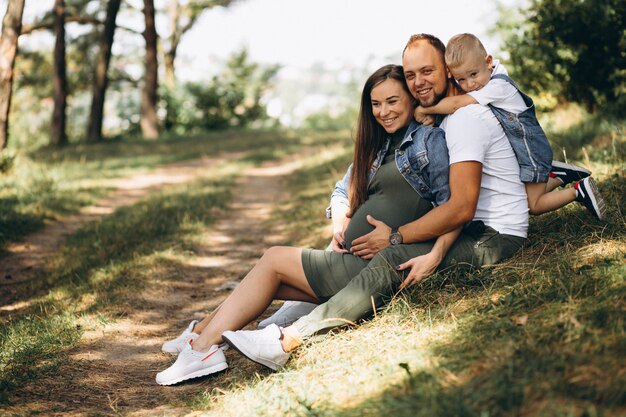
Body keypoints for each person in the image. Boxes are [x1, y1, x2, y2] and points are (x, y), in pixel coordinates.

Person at [218, 34, 535, 374]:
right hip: (472, 227)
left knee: (393, 257)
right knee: (330, 263)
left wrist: (408, 242)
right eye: (411, 75)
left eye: (427, 71)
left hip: (493, 234)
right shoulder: (444, 118)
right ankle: (245, 328)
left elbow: (460, 207)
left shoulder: (464, 120)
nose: (418, 82)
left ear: (446, 69)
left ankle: (286, 340)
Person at [156, 64, 458, 385]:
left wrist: (399, 240)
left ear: (412, 100)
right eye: (376, 104)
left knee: (273, 260)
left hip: (372, 268)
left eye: (393, 101)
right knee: (263, 281)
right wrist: (341, 219)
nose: (383, 112)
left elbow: (451, 207)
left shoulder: (428, 141)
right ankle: (202, 335)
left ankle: (202, 347)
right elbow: (344, 189)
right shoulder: (382, 145)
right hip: (352, 259)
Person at [414, 33, 606, 220]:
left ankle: (578, 191)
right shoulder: (487, 80)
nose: (469, 84)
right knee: (525, 196)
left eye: (473, 74)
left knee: (534, 205)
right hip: (523, 151)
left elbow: (457, 103)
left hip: (531, 152)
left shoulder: (498, 87)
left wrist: (425, 109)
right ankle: (559, 175)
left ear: (488, 61)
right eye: (461, 79)